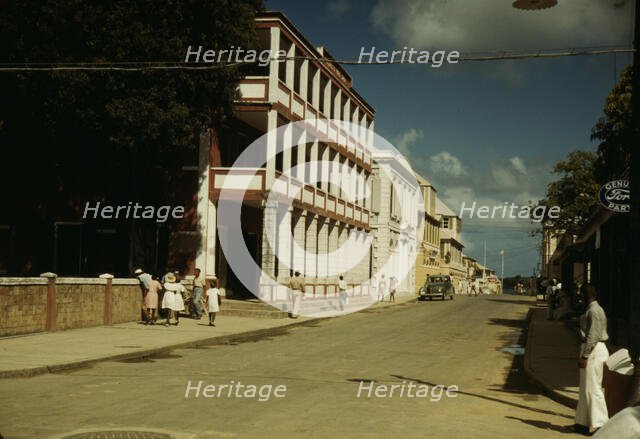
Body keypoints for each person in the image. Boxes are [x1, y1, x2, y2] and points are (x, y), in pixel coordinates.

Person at [574, 284, 609, 435]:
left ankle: (600, 424)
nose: (579, 296)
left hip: (594, 350)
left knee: (593, 389)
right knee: (585, 389)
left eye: (581, 294)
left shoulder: (594, 311)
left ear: (587, 295)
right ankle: (582, 423)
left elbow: (593, 336)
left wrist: (585, 355)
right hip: (592, 349)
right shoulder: (593, 309)